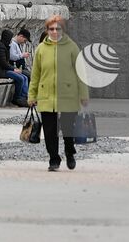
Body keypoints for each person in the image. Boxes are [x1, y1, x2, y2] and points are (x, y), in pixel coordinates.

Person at [28, 13, 88, 172]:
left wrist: (83, 95)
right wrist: (32, 95)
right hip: (46, 95)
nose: (54, 32)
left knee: (68, 128)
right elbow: (35, 74)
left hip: (68, 95)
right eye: (51, 29)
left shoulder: (72, 47)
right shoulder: (41, 49)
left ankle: (69, 152)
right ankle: (53, 158)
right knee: (49, 131)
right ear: (47, 30)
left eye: (58, 29)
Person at [0, 29, 28, 106]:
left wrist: (14, 69)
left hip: (3, 70)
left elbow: (6, 61)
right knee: (20, 78)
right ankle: (17, 98)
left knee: (24, 77)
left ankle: (23, 97)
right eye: (10, 39)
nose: (11, 41)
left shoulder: (4, 46)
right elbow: (3, 63)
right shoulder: (0, 47)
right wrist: (14, 69)